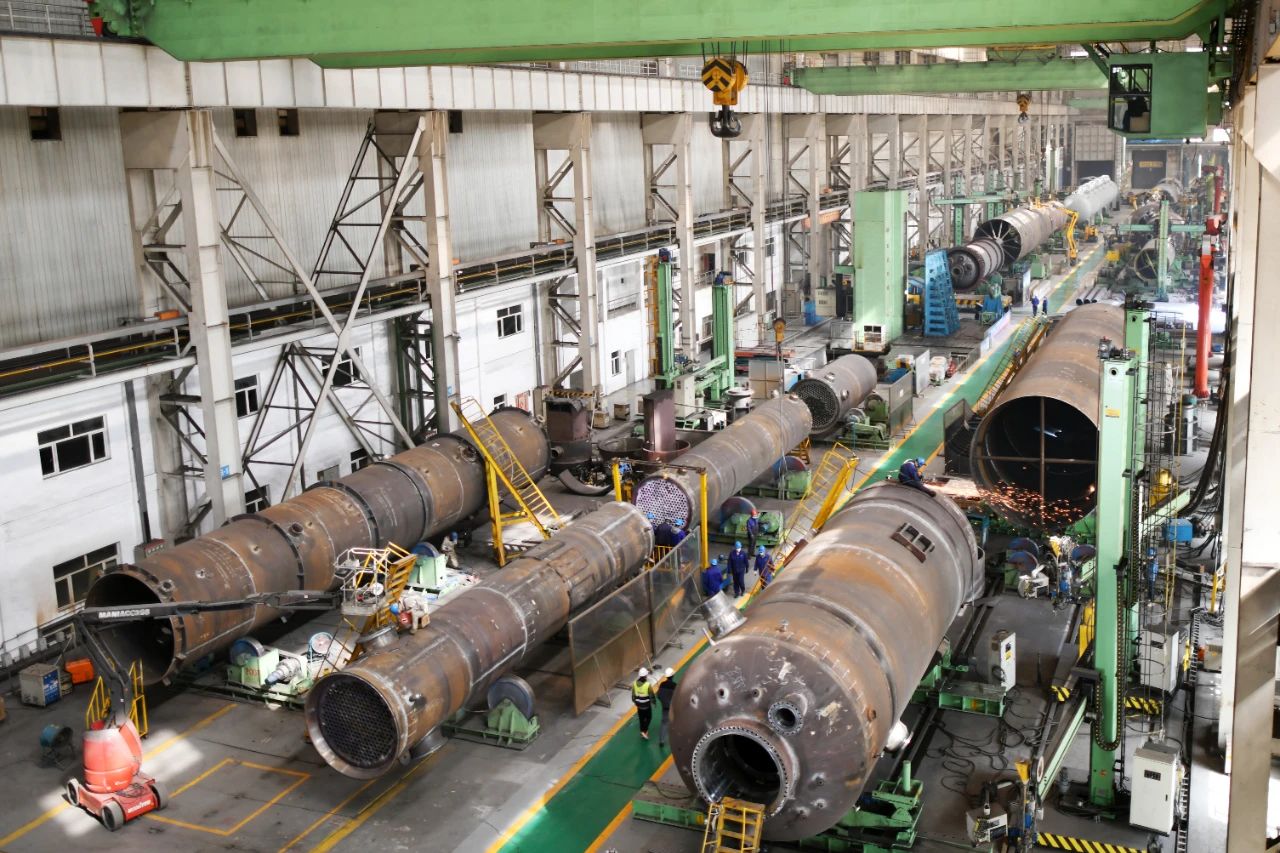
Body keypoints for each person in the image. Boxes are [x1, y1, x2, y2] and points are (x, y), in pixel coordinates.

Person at [656, 667, 677, 749]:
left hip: (665, 707)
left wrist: (664, 702)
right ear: (672, 676)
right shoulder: (674, 686)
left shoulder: (662, 684)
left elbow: (658, 695)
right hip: (673, 707)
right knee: (675, 722)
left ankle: (661, 741)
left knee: (664, 723)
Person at [631, 667, 655, 740]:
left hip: (639, 706)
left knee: (641, 719)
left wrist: (636, 702)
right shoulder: (647, 685)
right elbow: (651, 695)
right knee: (649, 717)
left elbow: (633, 695)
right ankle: (644, 730)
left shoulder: (634, 684)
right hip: (646, 706)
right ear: (645, 676)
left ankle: (643, 732)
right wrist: (654, 702)